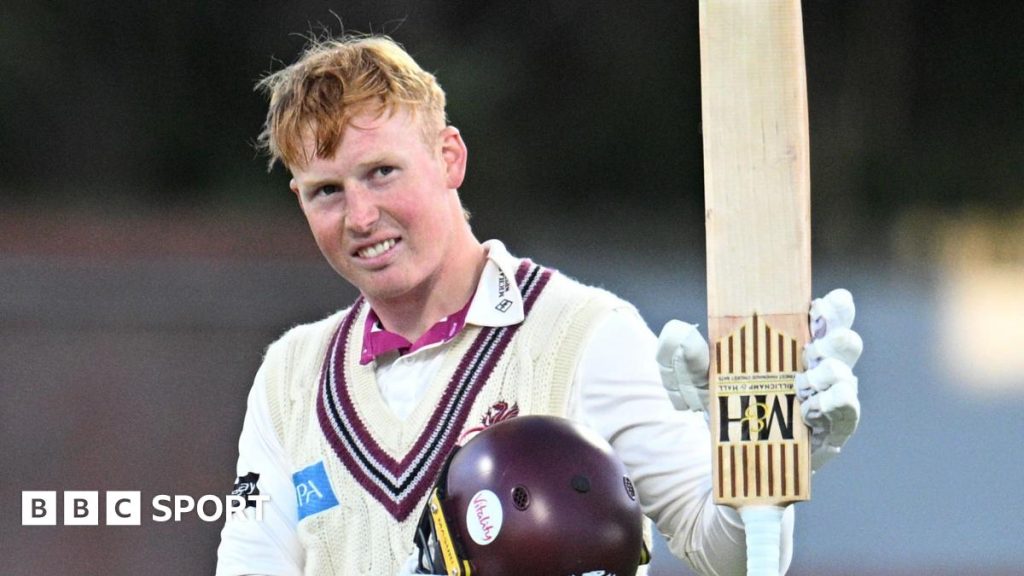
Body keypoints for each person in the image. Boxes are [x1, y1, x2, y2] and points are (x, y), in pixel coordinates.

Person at [216, 34, 863, 576]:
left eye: (382, 172)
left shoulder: (588, 333)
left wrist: (763, 464)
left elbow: (725, 553)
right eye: (325, 191)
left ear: (448, 158)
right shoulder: (290, 375)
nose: (359, 215)